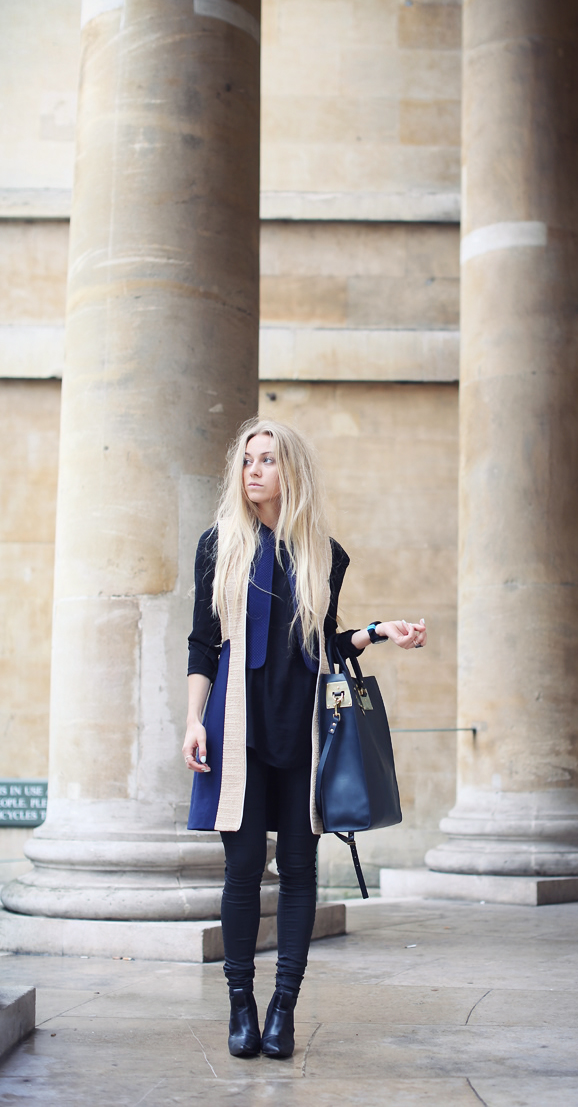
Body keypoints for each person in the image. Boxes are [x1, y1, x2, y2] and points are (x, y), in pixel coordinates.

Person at [181, 418, 426, 1060]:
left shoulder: (326, 554)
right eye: (247, 460)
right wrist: (193, 720)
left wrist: (379, 632)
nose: (253, 471)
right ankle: (240, 1004)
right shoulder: (218, 545)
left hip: (303, 728)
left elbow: (325, 643)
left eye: (267, 460)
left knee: (297, 869)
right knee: (242, 869)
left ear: (291, 471)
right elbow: (203, 643)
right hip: (238, 728)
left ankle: (283, 1008)